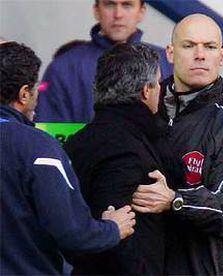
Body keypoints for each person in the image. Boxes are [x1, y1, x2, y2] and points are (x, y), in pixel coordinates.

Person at [131, 14, 223, 275]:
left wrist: (175, 200)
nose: (200, 55)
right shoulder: (139, 111)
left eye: (209, 47)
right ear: (170, 53)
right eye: (189, 45)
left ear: (222, 56)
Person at [0, 41, 136, 275]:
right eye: (35, 90)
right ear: (24, 94)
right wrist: (112, 228)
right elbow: (72, 232)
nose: (37, 97)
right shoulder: (37, 148)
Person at [63, 43, 183, 275]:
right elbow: (121, 240)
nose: (160, 89)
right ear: (146, 91)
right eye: (157, 83)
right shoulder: (126, 149)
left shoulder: (77, 142)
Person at [36, 0, 173, 123]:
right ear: (96, 10)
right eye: (110, 4)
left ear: (141, 12)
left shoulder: (167, 62)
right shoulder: (62, 68)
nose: (118, 14)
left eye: (127, 5)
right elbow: (48, 137)